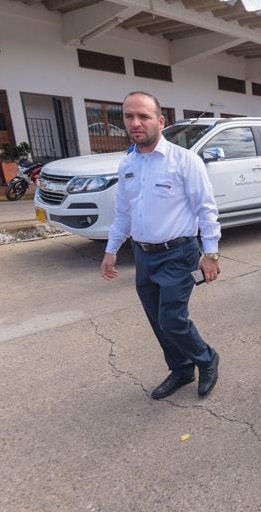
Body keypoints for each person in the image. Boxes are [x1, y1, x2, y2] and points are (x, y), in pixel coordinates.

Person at [100, 91, 221, 400]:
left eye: (144, 116)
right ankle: (180, 369)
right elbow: (124, 212)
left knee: (172, 319)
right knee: (157, 320)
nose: (136, 123)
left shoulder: (184, 161)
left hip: (178, 254)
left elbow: (206, 210)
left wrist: (210, 254)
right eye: (129, 117)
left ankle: (207, 360)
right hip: (144, 255)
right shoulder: (128, 165)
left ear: (161, 121)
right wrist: (111, 250)